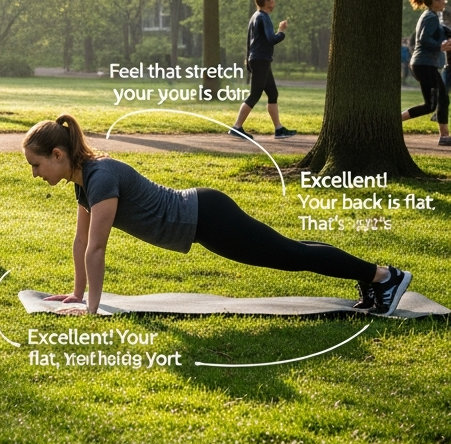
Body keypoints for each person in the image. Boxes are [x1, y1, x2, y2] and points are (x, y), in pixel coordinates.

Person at [24, 115, 412, 316]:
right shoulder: (84, 180)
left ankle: (384, 277)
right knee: (290, 253)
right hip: (201, 224)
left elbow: (96, 248)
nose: (35, 174)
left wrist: (91, 306)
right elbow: (80, 241)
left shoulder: (100, 176)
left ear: (58, 155)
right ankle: (376, 279)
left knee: (291, 255)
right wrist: (77, 292)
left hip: (207, 216)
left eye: (36, 165)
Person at [230, 0, 296, 140]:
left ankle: (279, 129)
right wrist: (281, 31)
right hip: (261, 60)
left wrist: (248, 60)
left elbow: (249, 41)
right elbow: (271, 39)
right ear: (266, 2)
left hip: (258, 59)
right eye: (272, 0)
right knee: (255, 94)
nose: (274, 2)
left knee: (272, 93)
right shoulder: (263, 17)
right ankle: (236, 127)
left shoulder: (255, 16)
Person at [402, 0, 451, 147]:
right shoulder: (430, 16)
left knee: (443, 98)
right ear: (434, 1)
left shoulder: (434, 16)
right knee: (430, 105)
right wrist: (440, 47)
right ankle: (392, 123)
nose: (445, 1)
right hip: (423, 64)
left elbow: (443, 31)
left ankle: (444, 136)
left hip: (427, 64)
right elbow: (423, 39)